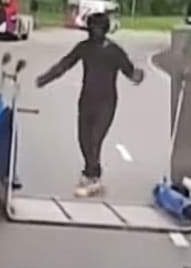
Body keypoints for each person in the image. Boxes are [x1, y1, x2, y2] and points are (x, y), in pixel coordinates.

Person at [35, 13, 144, 197]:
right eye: (91, 28)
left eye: (98, 29)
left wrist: (138, 76)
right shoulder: (84, 48)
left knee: (95, 139)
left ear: (104, 30)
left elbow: (130, 71)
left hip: (107, 102)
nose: (94, 32)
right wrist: (45, 78)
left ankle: (93, 178)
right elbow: (65, 64)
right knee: (83, 140)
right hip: (86, 100)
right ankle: (91, 173)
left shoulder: (115, 51)